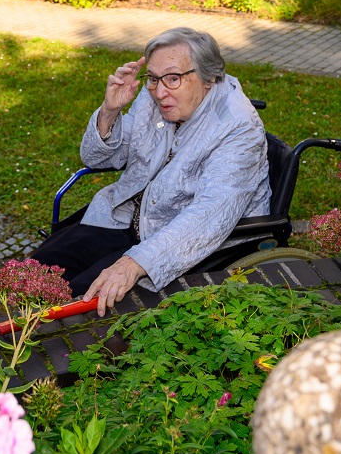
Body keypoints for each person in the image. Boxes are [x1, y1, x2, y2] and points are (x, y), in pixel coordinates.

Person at [31, 28, 271, 316]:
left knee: (80, 302)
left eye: (173, 78)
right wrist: (109, 111)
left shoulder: (238, 127)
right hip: (126, 219)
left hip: (178, 242)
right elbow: (97, 158)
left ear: (209, 78)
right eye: (153, 78)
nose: (159, 92)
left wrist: (133, 264)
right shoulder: (154, 97)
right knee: (35, 273)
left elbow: (208, 216)